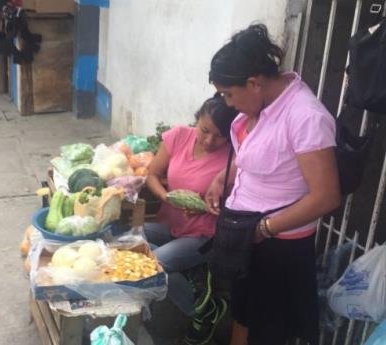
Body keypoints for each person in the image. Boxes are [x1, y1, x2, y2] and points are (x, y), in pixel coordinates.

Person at [202, 24, 340, 345]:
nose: (228, 103)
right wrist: (223, 178)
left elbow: (326, 197)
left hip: (279, 247)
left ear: (254, 83)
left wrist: (264, 228)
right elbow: (256, 155)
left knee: (268, 329)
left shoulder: (305, 117)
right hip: (249, 235)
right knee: (244, 313)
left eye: (229, 95)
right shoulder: (261, 106)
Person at [145, 94, 237, 323]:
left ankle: (201, 311)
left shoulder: (234, 158)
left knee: (152, 264)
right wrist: (167, 197)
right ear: (196, 119)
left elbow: (240, 207)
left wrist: (206, 208)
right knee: (128, 236)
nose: (209, 141)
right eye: (205, 130)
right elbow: (152, 174)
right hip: (170, 223)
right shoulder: (178, 136)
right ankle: (192, 275)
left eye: (220, 136)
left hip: (205, 236)